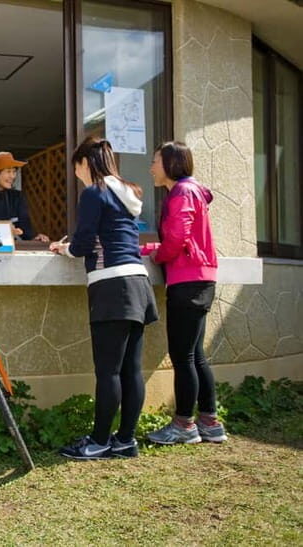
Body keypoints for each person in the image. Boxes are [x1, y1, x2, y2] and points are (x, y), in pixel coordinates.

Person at [50, 137, 158, 460]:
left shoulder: (95, 193)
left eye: (76, 168)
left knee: (108, 371)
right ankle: (125, 440)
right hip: (138, 282)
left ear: (85, 163)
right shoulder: (129, 193)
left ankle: (98, 442)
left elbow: (83, 243)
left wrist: (62, 248)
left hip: (111, 286)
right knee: (131, 370)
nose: (77, 175)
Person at [143, 141, 226, 445]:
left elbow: (177, 238)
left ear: (171, 163)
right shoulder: (190, 192)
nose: (151, 167)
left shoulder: (182, 192)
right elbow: (182, 238)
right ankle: (210, 422)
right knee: (195, 354)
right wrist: (154, 249)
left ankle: (184, 425)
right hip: (201, 279)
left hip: (188, 283)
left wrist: (159, 255)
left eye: (155, 161)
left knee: (182, 356)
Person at [0, 151, 49, 242]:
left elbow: (25, 226)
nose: (12, 176)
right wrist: (5, 227)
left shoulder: (17, 196)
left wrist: (34, 237)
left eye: (14, 171)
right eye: (8, 171)